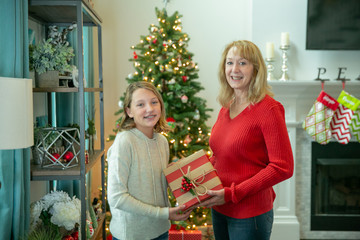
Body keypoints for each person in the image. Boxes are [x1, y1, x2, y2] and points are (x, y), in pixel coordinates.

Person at [200, 40, 294, 240]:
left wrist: (233, 193)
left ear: (256, 69)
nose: (234, 69)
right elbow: (219, 155)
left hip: (250, 215)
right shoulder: (227, 105)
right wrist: (195, 179)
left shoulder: (269, 109)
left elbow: (283, 167)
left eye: (242, 63)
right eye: (229, 62)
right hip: (220, 208)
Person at [107, 81, 193, 240]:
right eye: (140, 104)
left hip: (160, 230)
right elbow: (116, 197)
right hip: (132, 235)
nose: (150, 109)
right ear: (129, 111)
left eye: (154, 102)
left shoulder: (162, 141)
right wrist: (164, 213)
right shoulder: (124, 142)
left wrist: (170, 176)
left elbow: (149, 183)